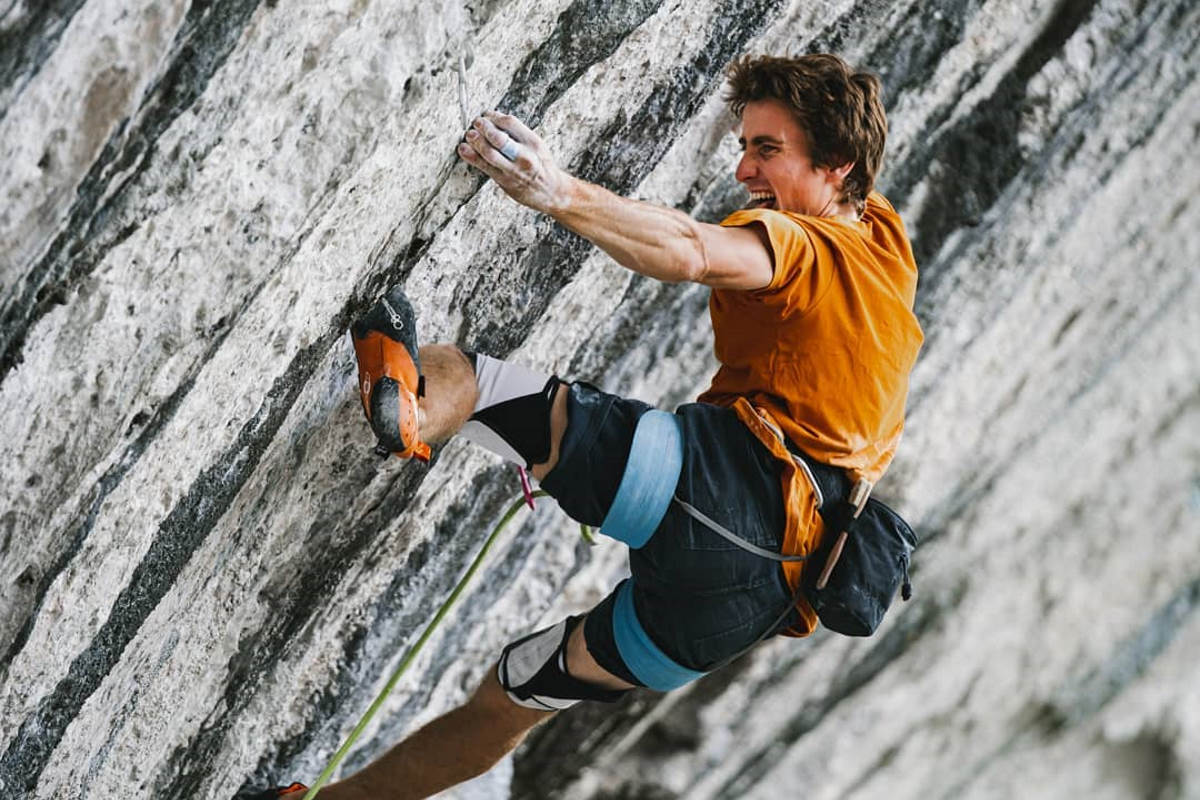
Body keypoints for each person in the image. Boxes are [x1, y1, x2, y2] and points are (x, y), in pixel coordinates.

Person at [253, 52, 923, 800]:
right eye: (742, 146)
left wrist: (554, 189)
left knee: (475, 383)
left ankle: (410, 408)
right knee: (512, 697)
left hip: (705, 488)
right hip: (735, 617)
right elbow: (832, 185)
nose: (743, 171)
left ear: (837, 166)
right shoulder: (886, 248)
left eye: (765, 150)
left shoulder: (804, 247)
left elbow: (693, 250)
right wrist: (780, 140)